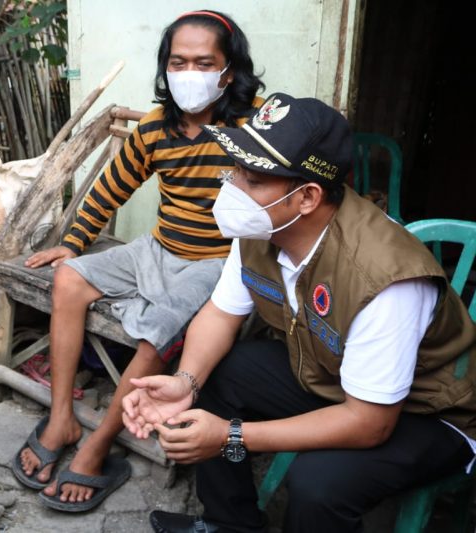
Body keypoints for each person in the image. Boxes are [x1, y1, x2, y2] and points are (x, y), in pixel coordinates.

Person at [121, 92, 476, 533]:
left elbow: (369, 424)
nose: (231, 186)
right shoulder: (263, 226)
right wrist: (183, 383)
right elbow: (219, 314)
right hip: (332, 375)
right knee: (219, 372)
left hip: (425, 414)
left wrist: (231, 436)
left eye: (252, 178)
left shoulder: (385, 279)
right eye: (236, 169)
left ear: (307, 196)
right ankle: (230, 524)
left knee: (317, 483)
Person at [13, 10, 265, 511]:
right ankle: (61, 417)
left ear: (229, 70)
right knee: (68, 280)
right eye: (178, 62)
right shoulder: (155, 129)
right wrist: (75, 240)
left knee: (157, 330)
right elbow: (111, 187)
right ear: (164, 68)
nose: (188, 74)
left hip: (216, 263)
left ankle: (98, 444)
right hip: (157, 248)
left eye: (203, 62)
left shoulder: (253, 126)